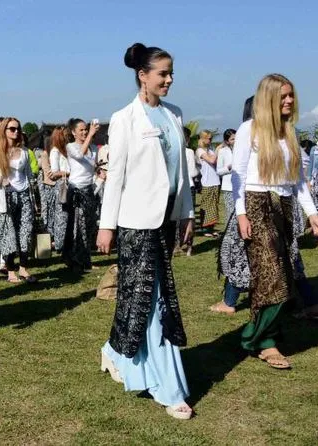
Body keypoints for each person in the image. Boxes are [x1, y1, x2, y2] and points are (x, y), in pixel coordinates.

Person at [97, 43, 195, 420]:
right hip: (135, 224)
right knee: (153, 301)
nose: (169, 80)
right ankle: (168, 386)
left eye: (171, 74)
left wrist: (186, 214)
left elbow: (180, 175)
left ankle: (114, 351)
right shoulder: (125, 118)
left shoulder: (174, 115)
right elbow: (117, 176)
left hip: (166, 221)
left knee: (148, 298)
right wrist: (107, 226)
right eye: (162, 74)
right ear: (143, 75)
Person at [231, 74, 318, 370]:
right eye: (283, 96)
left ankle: (262, 335)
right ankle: (261, 340)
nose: (289, 100)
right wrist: (241, 214)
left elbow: (297, 181)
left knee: (283, 272)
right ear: (269, 98)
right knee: (270, 274)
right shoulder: (250, 130)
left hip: (284, 206)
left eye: (291, 95)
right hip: (257, 204)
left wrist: (312, 214)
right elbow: (239, 176)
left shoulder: (290, 132)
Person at [0, 117, 38, 284]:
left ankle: (24, 268)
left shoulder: (25, 152)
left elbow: (28, 174)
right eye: (12, 129)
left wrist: (32, 194)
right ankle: (11, 270)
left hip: (24, 195)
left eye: (18, 128)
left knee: (26, 232)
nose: (16, 132)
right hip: (5, 197)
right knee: (8, 235)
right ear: (4, 131)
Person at [63, 118, 100, 272]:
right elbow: (79, 155)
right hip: (76, 190)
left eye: (87, 129)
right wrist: (91, 135)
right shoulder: (71, 146)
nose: (85, 132)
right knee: (78, 226)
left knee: (89, 225)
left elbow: (92, 166)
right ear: (73, 132)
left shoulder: (93, 148)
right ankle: (76, 261)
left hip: (89, 189)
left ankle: (86, 260)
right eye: (82, 130)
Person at [48, 127, 71, 252]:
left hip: (69, 183)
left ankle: (66, 243)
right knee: (61, 216)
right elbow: (55, 172)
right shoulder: (55, 151)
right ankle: (59, 243)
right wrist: (70, 173)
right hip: (62, 185)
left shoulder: (67, 150)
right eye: (65, 135)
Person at [196, 131, 220, 237]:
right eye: (208, 138)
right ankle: (205, 228)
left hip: (215, 180)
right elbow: (211, 160)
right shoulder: (200, 150)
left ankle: (211, 227)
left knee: (214, 206)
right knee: (206, 205)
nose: (210, 140)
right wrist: (218, 150)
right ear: (203, 139)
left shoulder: (210, 150)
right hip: (207, 182)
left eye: (211, 138)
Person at [216, 129, 237, 221]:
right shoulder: (222, 151)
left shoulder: (242, 150)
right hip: (228, 187)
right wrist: (228, 168)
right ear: (227, 141)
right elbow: (219, 171)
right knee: (230, 212)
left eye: (236, 138)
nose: (235, 141)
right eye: (232, 139)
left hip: (241, 186)